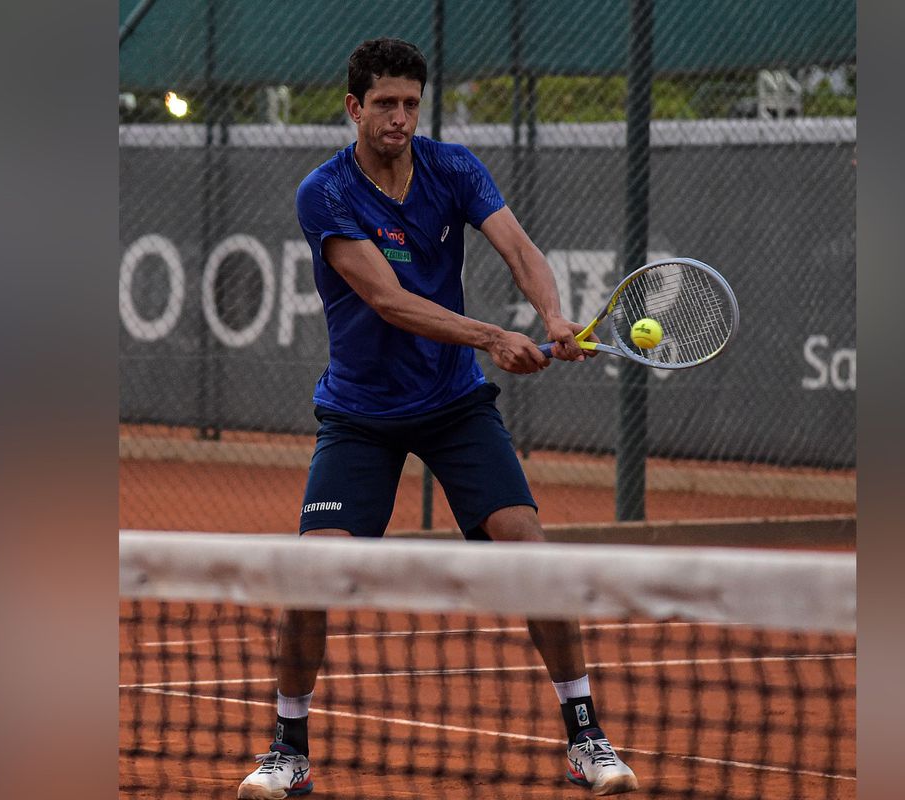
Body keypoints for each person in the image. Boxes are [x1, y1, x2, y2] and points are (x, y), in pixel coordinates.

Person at [237, 37, 639, 800]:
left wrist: (551, 314)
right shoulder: (323, 192)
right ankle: (288, 747)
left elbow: (517, 247)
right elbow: (387, 300)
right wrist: (494, 336)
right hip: (360, 412)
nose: (398, 118)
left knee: (529, 551)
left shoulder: (454, 168)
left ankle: (586, 734)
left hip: (454, 403)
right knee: (311, 571)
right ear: (353, 107)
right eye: (384, 104)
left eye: (410, 104)